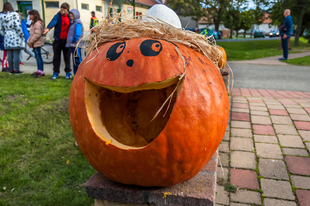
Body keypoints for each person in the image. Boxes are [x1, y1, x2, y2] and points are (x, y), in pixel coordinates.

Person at [43, 3, 72, 79]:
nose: (62, 12)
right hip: (58, 40)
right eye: (61, 10)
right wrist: (48, 28)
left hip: (66, 41)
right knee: (56, 57)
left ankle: (68, 72)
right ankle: (55, 72)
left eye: (64, 10)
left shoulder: (69, 17)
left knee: (67, 57)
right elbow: (53, 21)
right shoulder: (57, 16)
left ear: (67, 11)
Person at [0, 2, 24, 74]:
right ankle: (17, 70)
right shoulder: (15, 15)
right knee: (16, 53)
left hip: (7, 35)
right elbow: (18, 27)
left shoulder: (1, 16)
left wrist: (4, 34)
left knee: (9, 53)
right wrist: (21, 35)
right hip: (15, 35)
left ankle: (11, 69)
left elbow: (0, 28)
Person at [27, 10, 45, 78]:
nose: (30, 16)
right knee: (37, 57)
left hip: (37, 43)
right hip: (34, 43)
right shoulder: (33, 23)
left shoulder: (37, 23)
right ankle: (39, 70)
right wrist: (29, 41)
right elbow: (31, 34)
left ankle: (41, 71)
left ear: (34, 15)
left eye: (31, 15)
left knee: (39, 57)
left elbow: (37, 34)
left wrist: (31, 41)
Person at [66, 9, 83, 76]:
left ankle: (80, 75)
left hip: (76, 45)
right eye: (70, 16)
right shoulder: (73, 22)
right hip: (73, 45)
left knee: (77, 60)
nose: (71, 17)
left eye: (72, 16)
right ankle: (76, 75)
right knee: (75, 61)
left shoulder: (78, 23)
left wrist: (73, 40)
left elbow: (78, 33)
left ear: (75, 16)